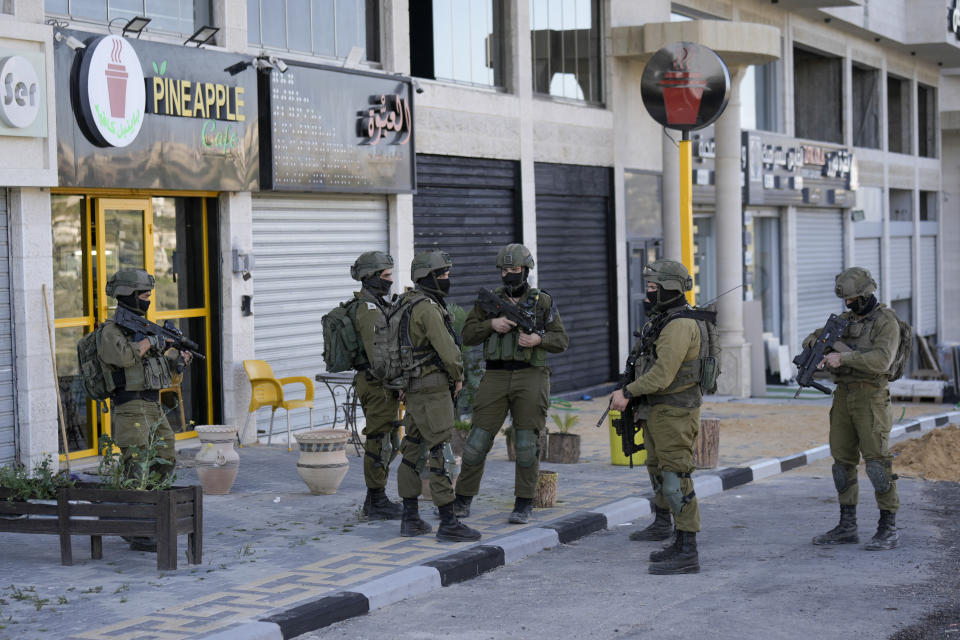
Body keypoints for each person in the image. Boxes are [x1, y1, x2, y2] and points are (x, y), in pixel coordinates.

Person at [453, 243, 569, 524]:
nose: (509, 274)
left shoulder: (542, 302)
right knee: (477, 441)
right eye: (504, 270)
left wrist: (538, 340)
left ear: (525, 270)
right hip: (495, 375)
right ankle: (462, 499)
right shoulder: (488, 301)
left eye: (514, 269)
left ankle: (523, 503)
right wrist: (491, 325)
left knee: (528, 442)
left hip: (531, 375)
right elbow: (467, 335)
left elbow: (561, 340)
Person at [609, 259, 706, 575]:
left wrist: (627, 393)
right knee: (659, 469)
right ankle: (671, 531)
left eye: (653, 288)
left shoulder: (679, 325)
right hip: (657, 409)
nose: (648, 295)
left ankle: (688, 548)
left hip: (674, 409)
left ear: (670, 288)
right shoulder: (664, 319)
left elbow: (663, 375)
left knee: (676, 476)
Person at [806, 267, 902, 551]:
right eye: (845, 300)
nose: (849, 305)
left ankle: (888, 527)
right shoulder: (843, 321)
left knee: (877, 464)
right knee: (842, 463)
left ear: (867, 293)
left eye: (853, 299)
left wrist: (843, 357)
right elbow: (811, 339)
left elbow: (882, 360)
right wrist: (820, 345)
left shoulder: (886, 322)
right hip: (843, 398)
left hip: (871, 398)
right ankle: (847, 526)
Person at [99, 269, 193, 551]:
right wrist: (152, 341)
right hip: (130, 406)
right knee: (136, 464)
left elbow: (165, 377)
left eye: (149, 294)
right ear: (127, 295)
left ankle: (148, 516)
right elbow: (124, 356)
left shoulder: (143, 329)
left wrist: (178, 361)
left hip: (152, 405)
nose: (148, 299)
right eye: (143, 295)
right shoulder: (111, 332)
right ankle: (134, 527)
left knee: (165, 455)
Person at [395, 250, 482, 542]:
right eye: (442, 275)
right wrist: (457, 376)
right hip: (433, 391)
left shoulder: (404, 303)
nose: (447, 280)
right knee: (441, 453)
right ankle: (448, 522)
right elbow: (448, 351)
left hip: (413, 389)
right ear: (427, 277)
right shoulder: (428, 308)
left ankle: (410, 518)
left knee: (411, 451)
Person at [350, 251, 403, 520]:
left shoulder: (377, 304)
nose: (390, 281)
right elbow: (378, 356)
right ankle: (376, 499)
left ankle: (376, 496)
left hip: (382, 383)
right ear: (369, 277)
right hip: (377, 383)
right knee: (379, 440)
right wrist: (398, 381)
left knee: (389, 441)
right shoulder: (369, 310)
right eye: (385, 276)